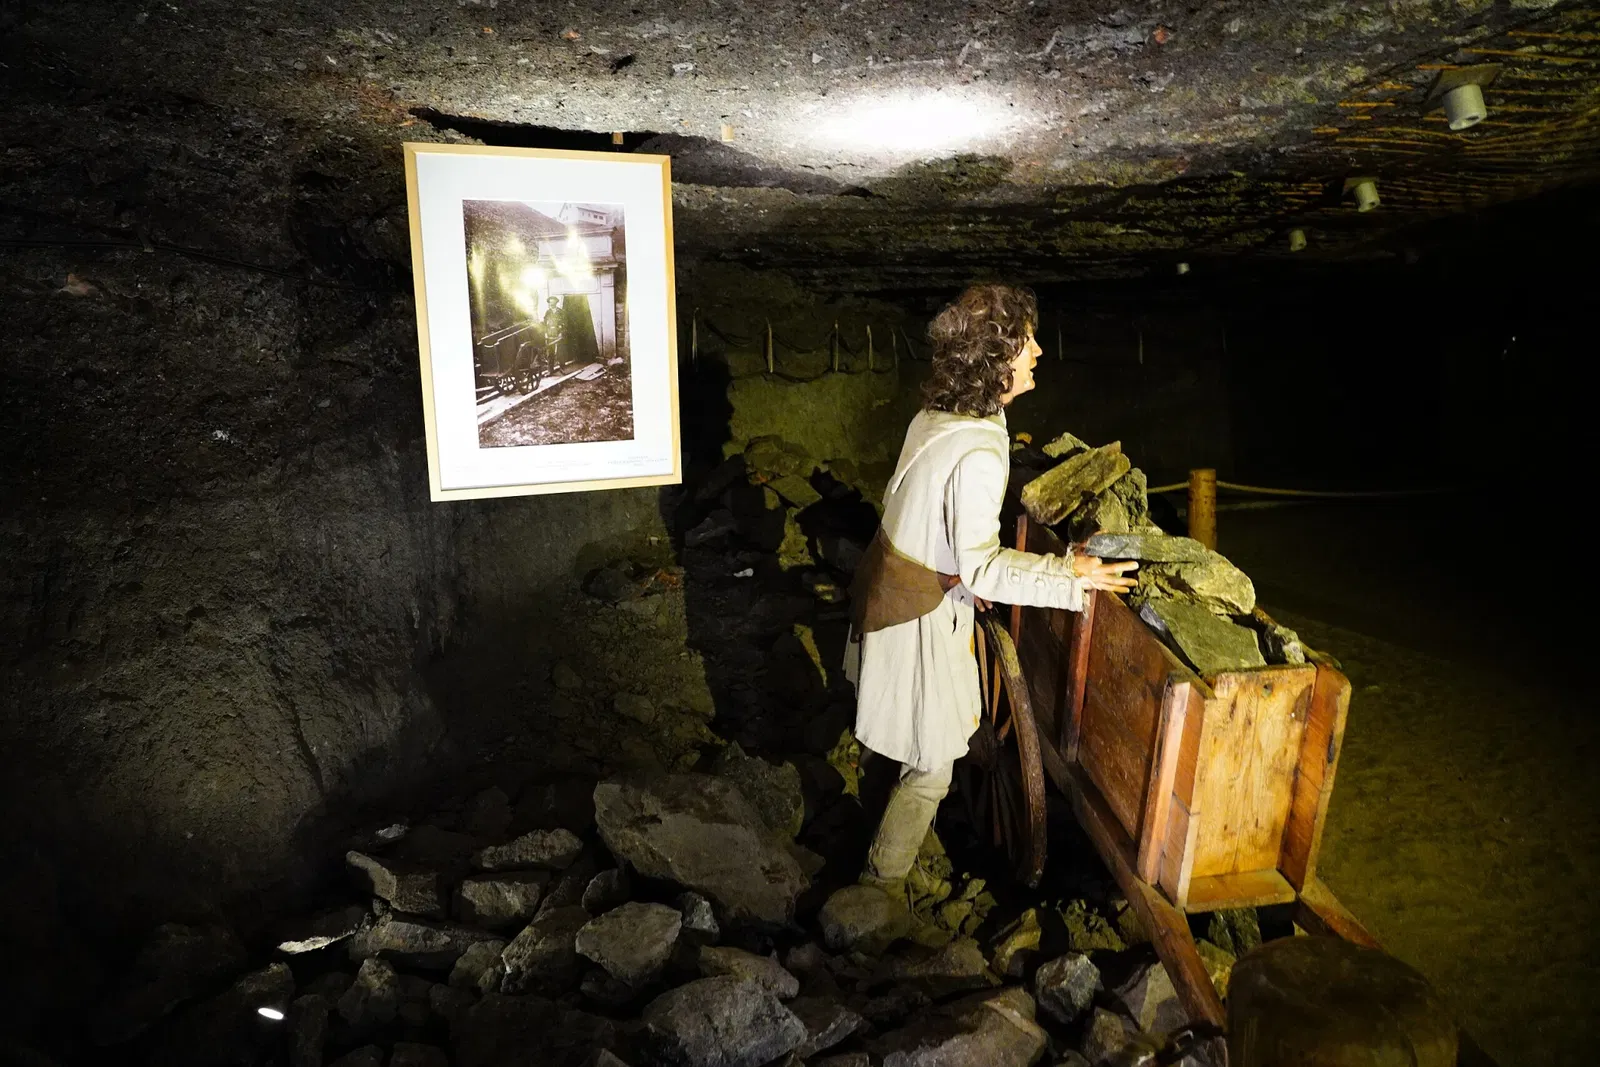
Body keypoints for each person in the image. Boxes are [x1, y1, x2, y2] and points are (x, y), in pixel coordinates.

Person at [844, 283, 1139, 895]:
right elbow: (981, 568)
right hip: (913, 607)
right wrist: (1070, 574)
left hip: (891, 582)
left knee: (908, 735)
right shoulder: (979, 449)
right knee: (933, 766)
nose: (1037, 352)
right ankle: (878, 887)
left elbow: (918, 510)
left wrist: (953, 567)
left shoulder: (942, 416)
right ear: (995, 359)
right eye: (1024, 341)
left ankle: (881, 839)